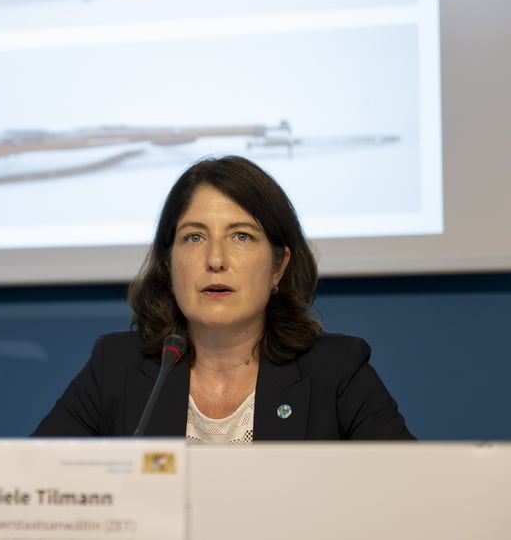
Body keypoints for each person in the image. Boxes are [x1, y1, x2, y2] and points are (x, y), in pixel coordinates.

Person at [33, 155, 413, 441]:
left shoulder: (336, 371)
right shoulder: (116, 367)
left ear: (278, 266)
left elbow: (412, 493)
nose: (215, 260)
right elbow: (40, 486)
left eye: (241, 236)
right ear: (168, 263)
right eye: (194, 237)